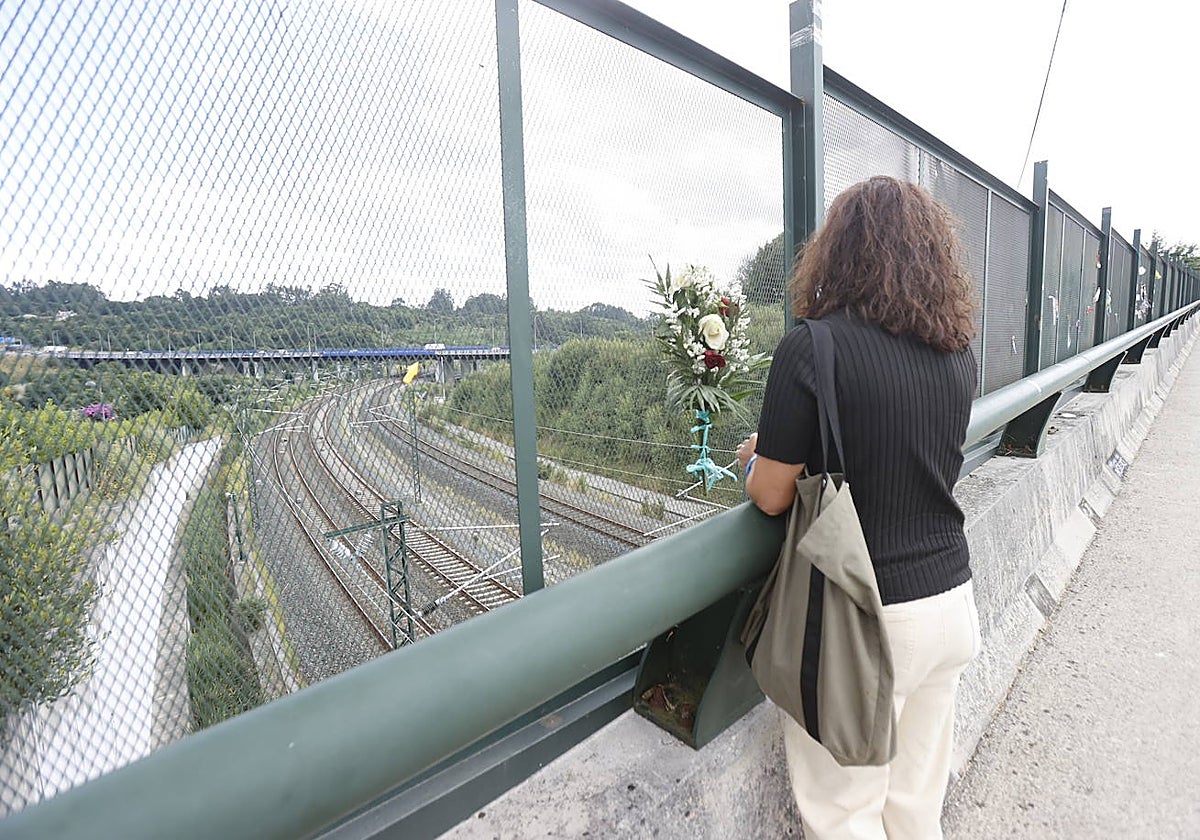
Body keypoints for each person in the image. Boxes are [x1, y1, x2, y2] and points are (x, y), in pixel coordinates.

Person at [736, 175, 982, 840]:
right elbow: (902, 444)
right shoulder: (958, 353)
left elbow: (772, 494)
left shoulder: (809, 349)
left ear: (835, 255)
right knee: (914, 810)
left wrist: (756, 457)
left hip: (867, 617)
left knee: (845, 815)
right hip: (951, 605)